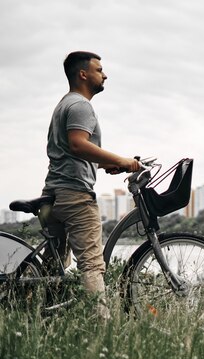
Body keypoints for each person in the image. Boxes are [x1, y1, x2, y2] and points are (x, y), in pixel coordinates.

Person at [42, 51, 140, 319]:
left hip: (52, 195)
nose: (104, 74)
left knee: (54, 268)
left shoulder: (63, 104)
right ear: (83, 74)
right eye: (99, 69)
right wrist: (122, 159)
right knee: (92, 266)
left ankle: (46, 321)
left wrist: (103, 164)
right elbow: (78, 144)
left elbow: (69, 153)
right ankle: (101, 330)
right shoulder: (81, 106)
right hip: (75, 197)